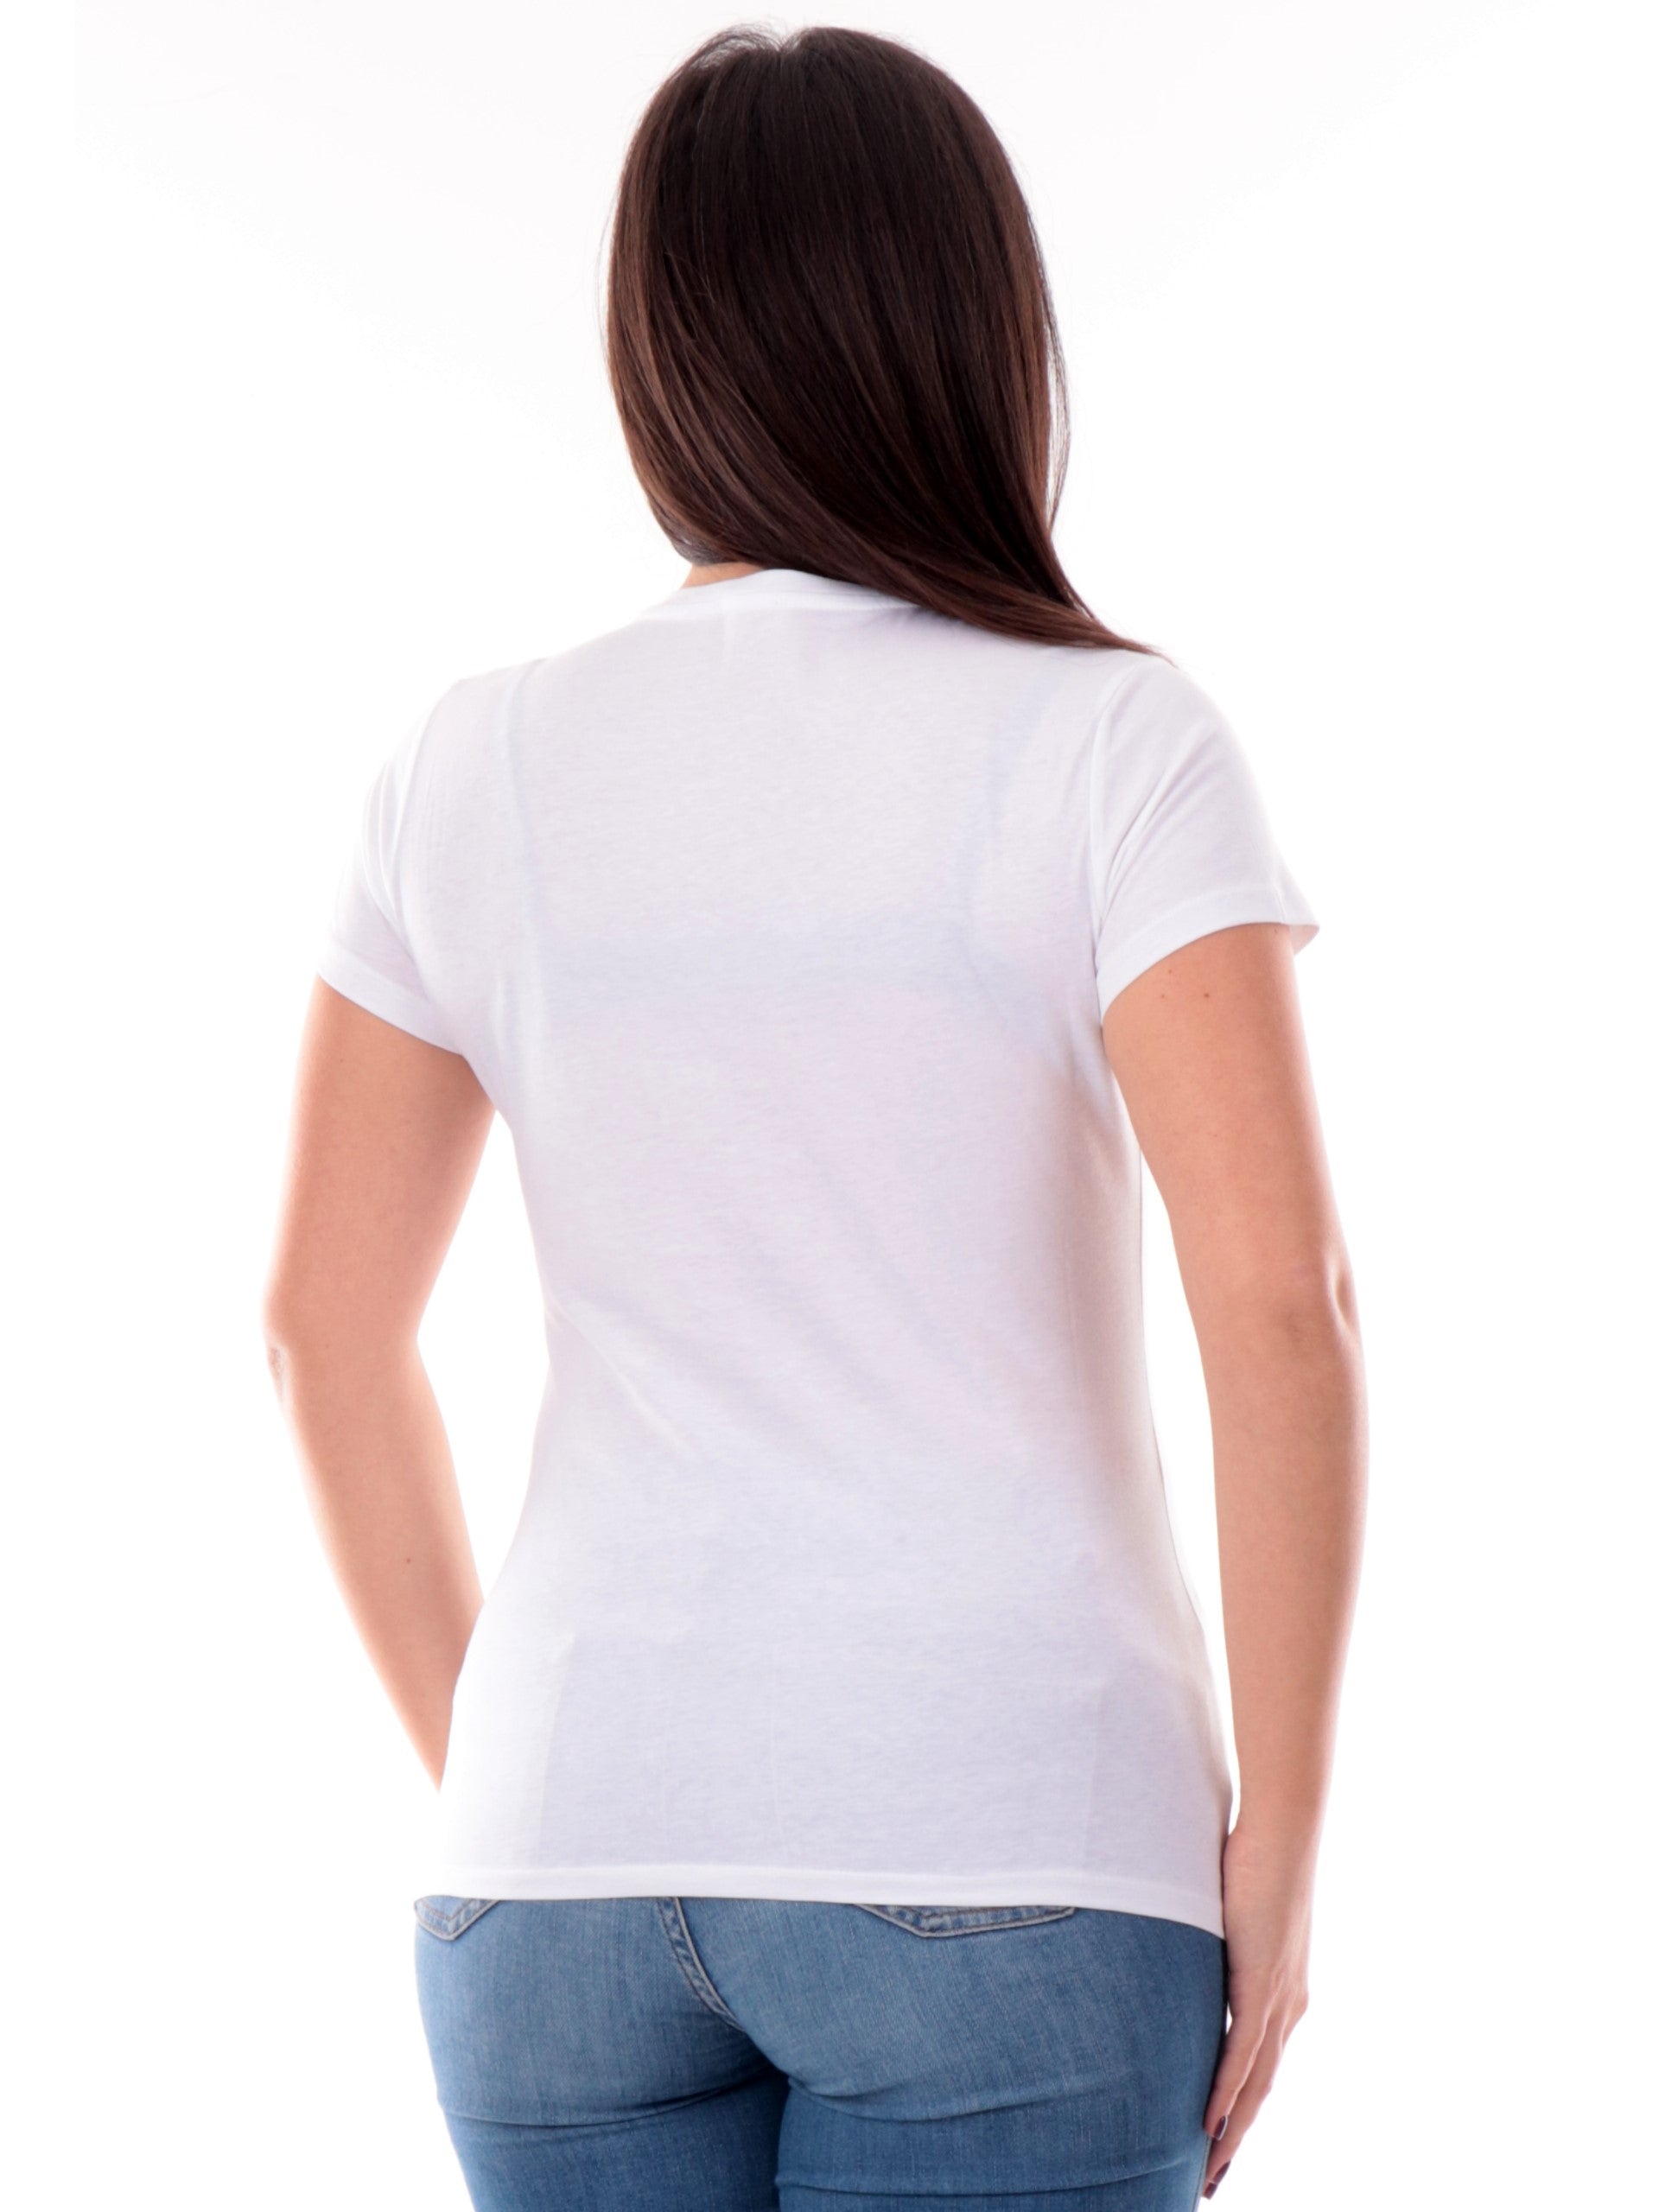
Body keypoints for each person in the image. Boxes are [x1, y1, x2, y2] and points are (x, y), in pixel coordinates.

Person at [262, 23, 1366, 2212]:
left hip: (551, 1872)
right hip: (1010, 1835)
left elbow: (321, 1329)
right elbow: (1282, 1306)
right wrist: (1288, 1845)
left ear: (657, 355)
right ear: (978, 332)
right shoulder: (1114, 740)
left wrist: (533, 1768)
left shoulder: (467, 763)